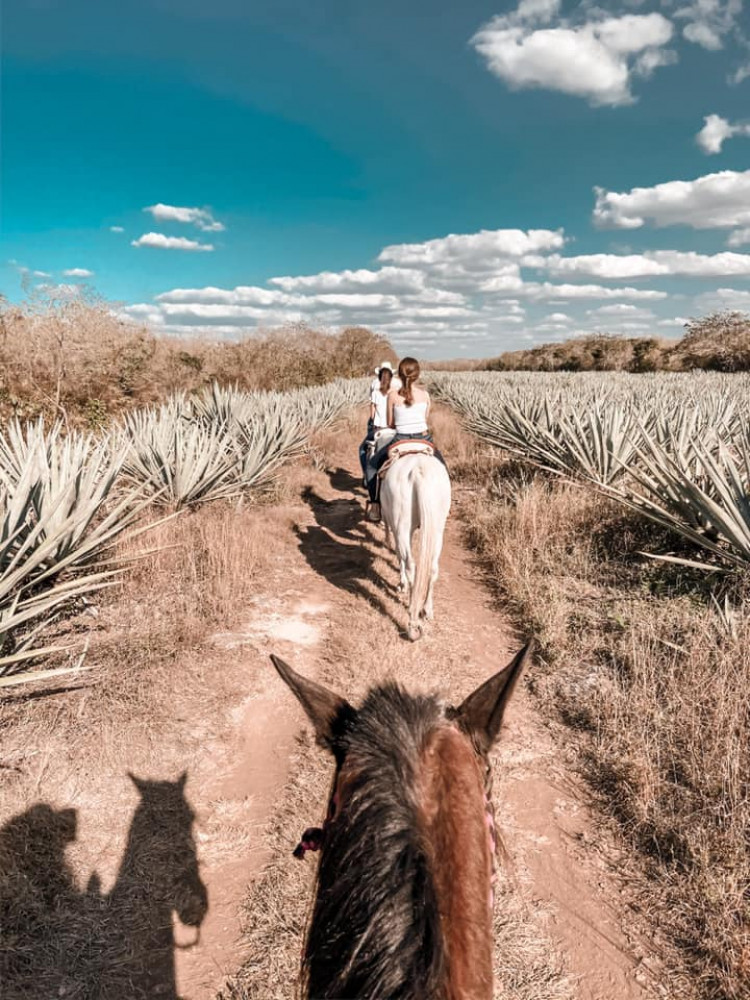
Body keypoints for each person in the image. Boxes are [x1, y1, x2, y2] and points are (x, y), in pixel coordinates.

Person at [364, 356, 446, 523]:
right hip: (424, 439)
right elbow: (425, 418)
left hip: (400, 439)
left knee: (372, 467)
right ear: (417, 375)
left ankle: (375, 505)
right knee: (443, 469)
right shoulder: (425, 395)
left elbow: (390, 423)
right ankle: (443, 506)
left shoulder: (393, 396)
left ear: (399, 375)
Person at [359, 364, 395, 480]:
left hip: (378, 427)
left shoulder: (375, 393)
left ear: (379, 378)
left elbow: (372, 414)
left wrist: (372, 421)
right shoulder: (395, 393)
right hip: (392, 428)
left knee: (362, 449)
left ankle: (366, 476)